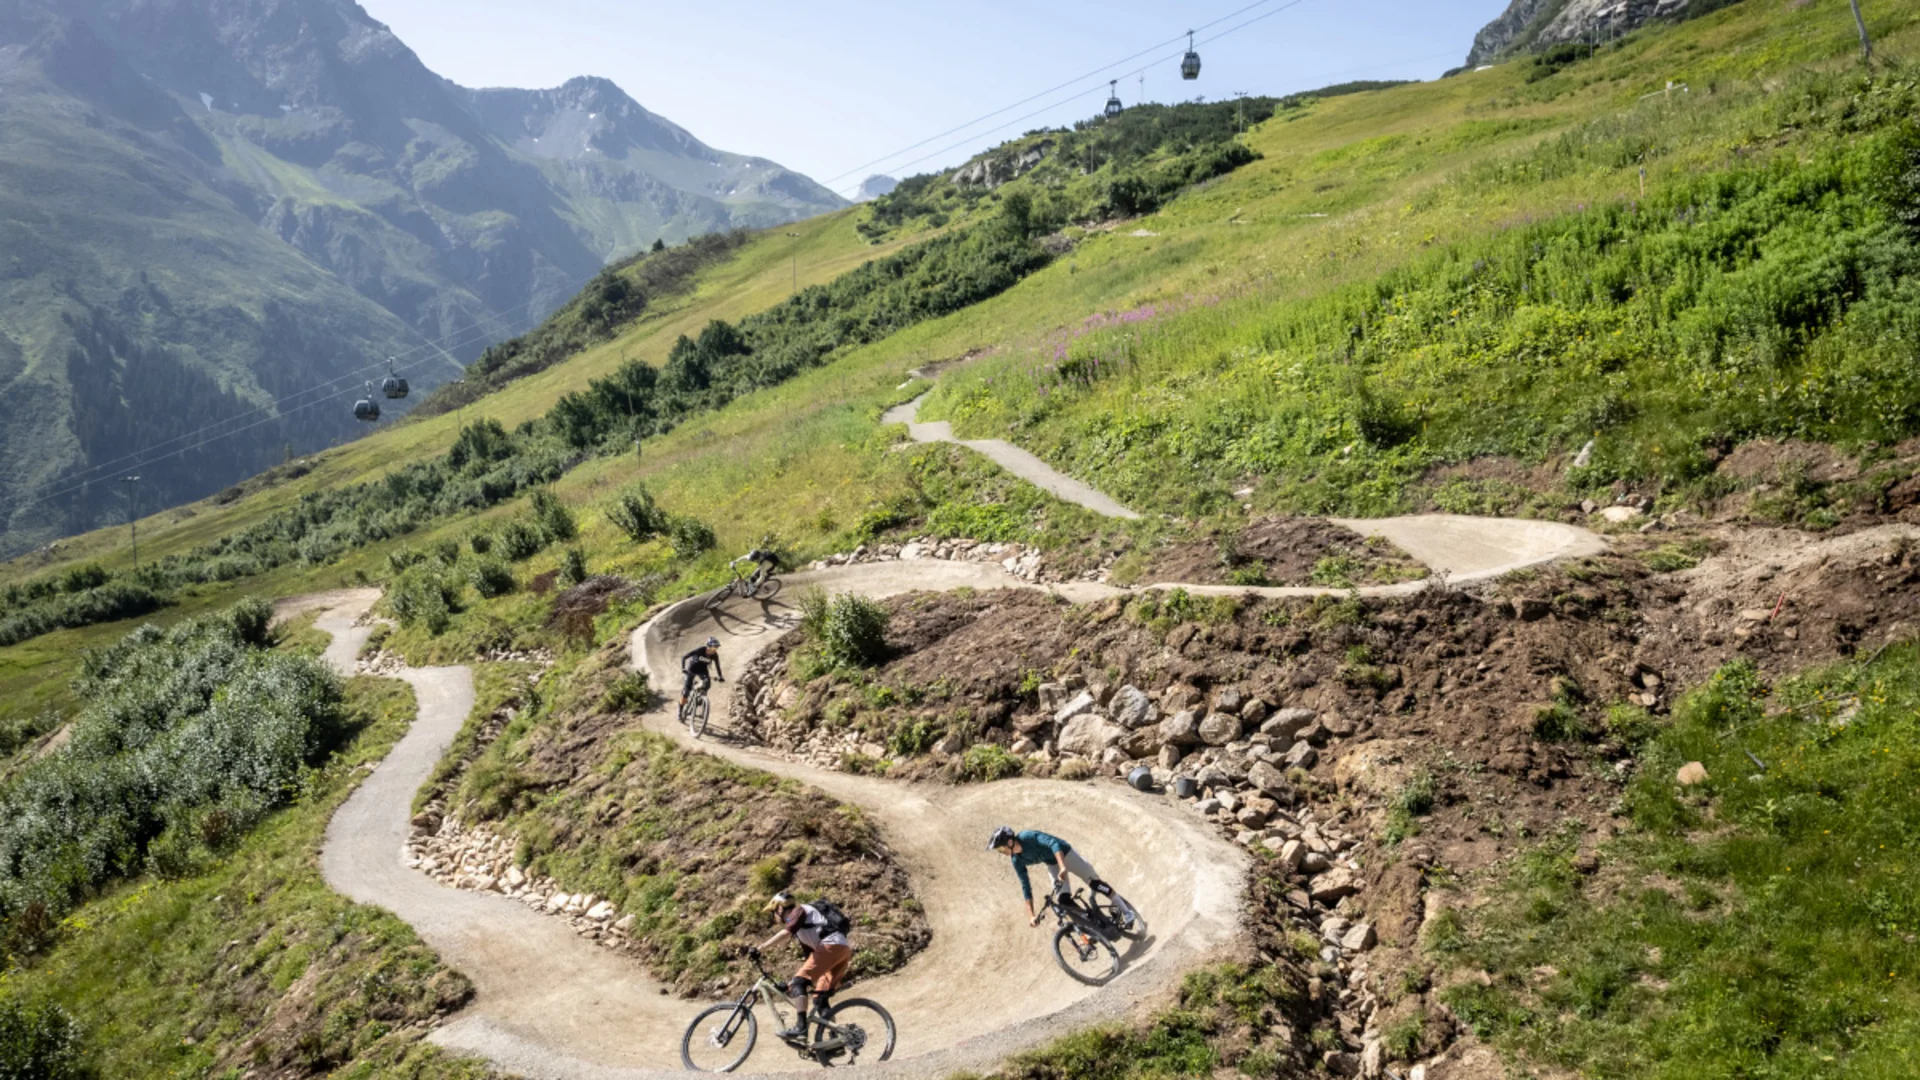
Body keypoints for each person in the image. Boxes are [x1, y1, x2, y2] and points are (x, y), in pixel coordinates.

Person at [987, 825, 1137, 930]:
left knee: (1095, 884)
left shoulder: (1027, 836)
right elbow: (1025, 886)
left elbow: (1053, 844)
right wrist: (1031, 916)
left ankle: (1127, 912)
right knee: (1063, 901)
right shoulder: (1016, 860)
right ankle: (1094, 925)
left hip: (1065, 854)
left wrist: (1063, 866)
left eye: (1000, 848)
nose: (1001, 852)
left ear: (1010, 841)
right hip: (1052, 864)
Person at [749, 892, 853, 1041]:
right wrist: (792, 985)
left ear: (779, 908)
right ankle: (835, 1040)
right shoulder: (804, 930)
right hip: (841, 950)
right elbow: (811, 961)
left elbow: (786, 932)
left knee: (800, 981)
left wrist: (760, 948)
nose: (773, 917)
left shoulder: (799, 911)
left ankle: (801, 1028)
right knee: (820, 999)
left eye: (773, 912)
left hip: (830, 946)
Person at [680, 636, 723, 709]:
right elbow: (684, 657)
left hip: (703, 670)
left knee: (707, 684)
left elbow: (717, 666)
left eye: (716, 648)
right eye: (713, 647)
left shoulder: (715, 655)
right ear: (708, 646)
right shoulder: (700, 650)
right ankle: (680, 710)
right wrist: (683, 668)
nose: (714, 650)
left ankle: (700, 697)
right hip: (692, 669)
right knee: (686, 691)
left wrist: (720, 676)